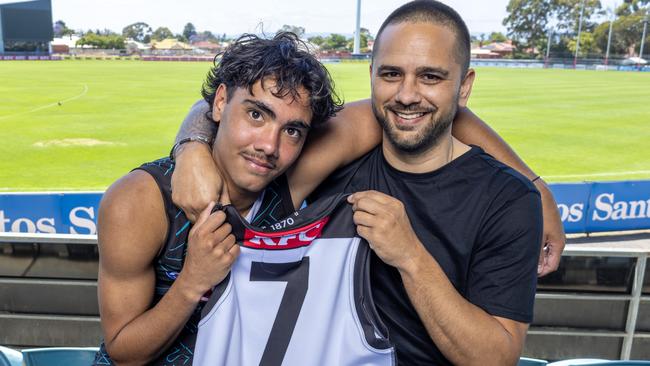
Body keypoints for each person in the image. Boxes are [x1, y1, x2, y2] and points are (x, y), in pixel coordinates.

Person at [171, 1, 555, 364]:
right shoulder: (334, 159)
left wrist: (411, 257)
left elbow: (496, 358)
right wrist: (191, 145)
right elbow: (235, 100)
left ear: (464, 86)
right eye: (391, 74)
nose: (406, 94)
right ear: (372, 75)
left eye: (431, 77)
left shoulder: (509, 199)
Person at [93, 32, 343, 365]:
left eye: (292, 130)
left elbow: (382, 111)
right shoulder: (140, 200)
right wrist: (192, 282)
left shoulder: (289, 182)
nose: (269, 145)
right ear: (222, 102)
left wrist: (191, 141)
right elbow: (123, 351)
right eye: (256, 115)